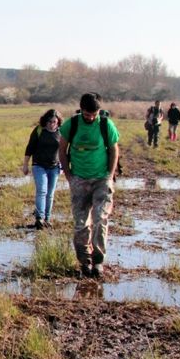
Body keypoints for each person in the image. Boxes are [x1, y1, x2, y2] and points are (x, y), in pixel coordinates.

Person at [58, 93, 120, 280]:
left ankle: (98, 261)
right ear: (81, 110)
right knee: (81, 223)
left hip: (101, 179)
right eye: (87, 114)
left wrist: (109, 175)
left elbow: (114, 149)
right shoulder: (72, 124)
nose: (91, 117)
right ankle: (85, 261)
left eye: (94, 114)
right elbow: (62, 149)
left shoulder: (105, 124)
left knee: (100, 219)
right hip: (79, 179)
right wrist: (69, 176)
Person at [22, 109, 63, 229]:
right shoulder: (39, 131)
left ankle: (47, 219)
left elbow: (64, 150)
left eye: (54, 122)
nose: (51, 124)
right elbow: (30, 147)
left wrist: (63, 166)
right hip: (39, 166)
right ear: (45, 121)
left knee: (50, 194)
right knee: (42, 191)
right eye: (49, 121)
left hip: (54, 167)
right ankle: (39, 218)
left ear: (58, 122)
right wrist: (25, 164)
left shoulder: (61, 133)